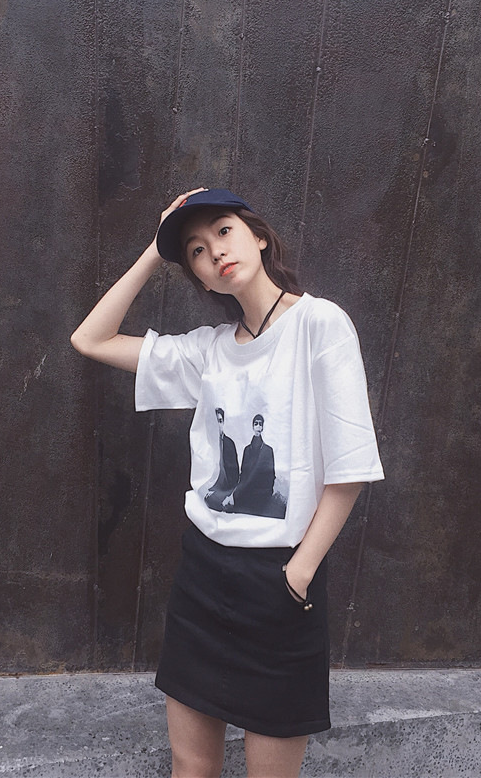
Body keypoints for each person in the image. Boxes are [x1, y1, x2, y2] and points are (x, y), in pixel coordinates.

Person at [71, 188, 384, 778]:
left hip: (279, 579)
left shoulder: (319, 324)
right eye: (195, 250)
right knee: (191, 767)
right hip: (203, 575)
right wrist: (155, 250)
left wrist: (299, 572)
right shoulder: (208, 351)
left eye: (222, 231)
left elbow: (351, 467)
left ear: (258, 237)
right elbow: (91, 339)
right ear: (197, 276)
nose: (214, 251)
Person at [204, 407, 239, 511]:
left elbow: (234, 475)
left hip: (227, 488)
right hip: (214, 486)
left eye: (220, 421)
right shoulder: (208, 442)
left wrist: (227, 493)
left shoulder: (229, 443)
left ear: (223, 423)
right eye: (215, 421)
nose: (218, 425)